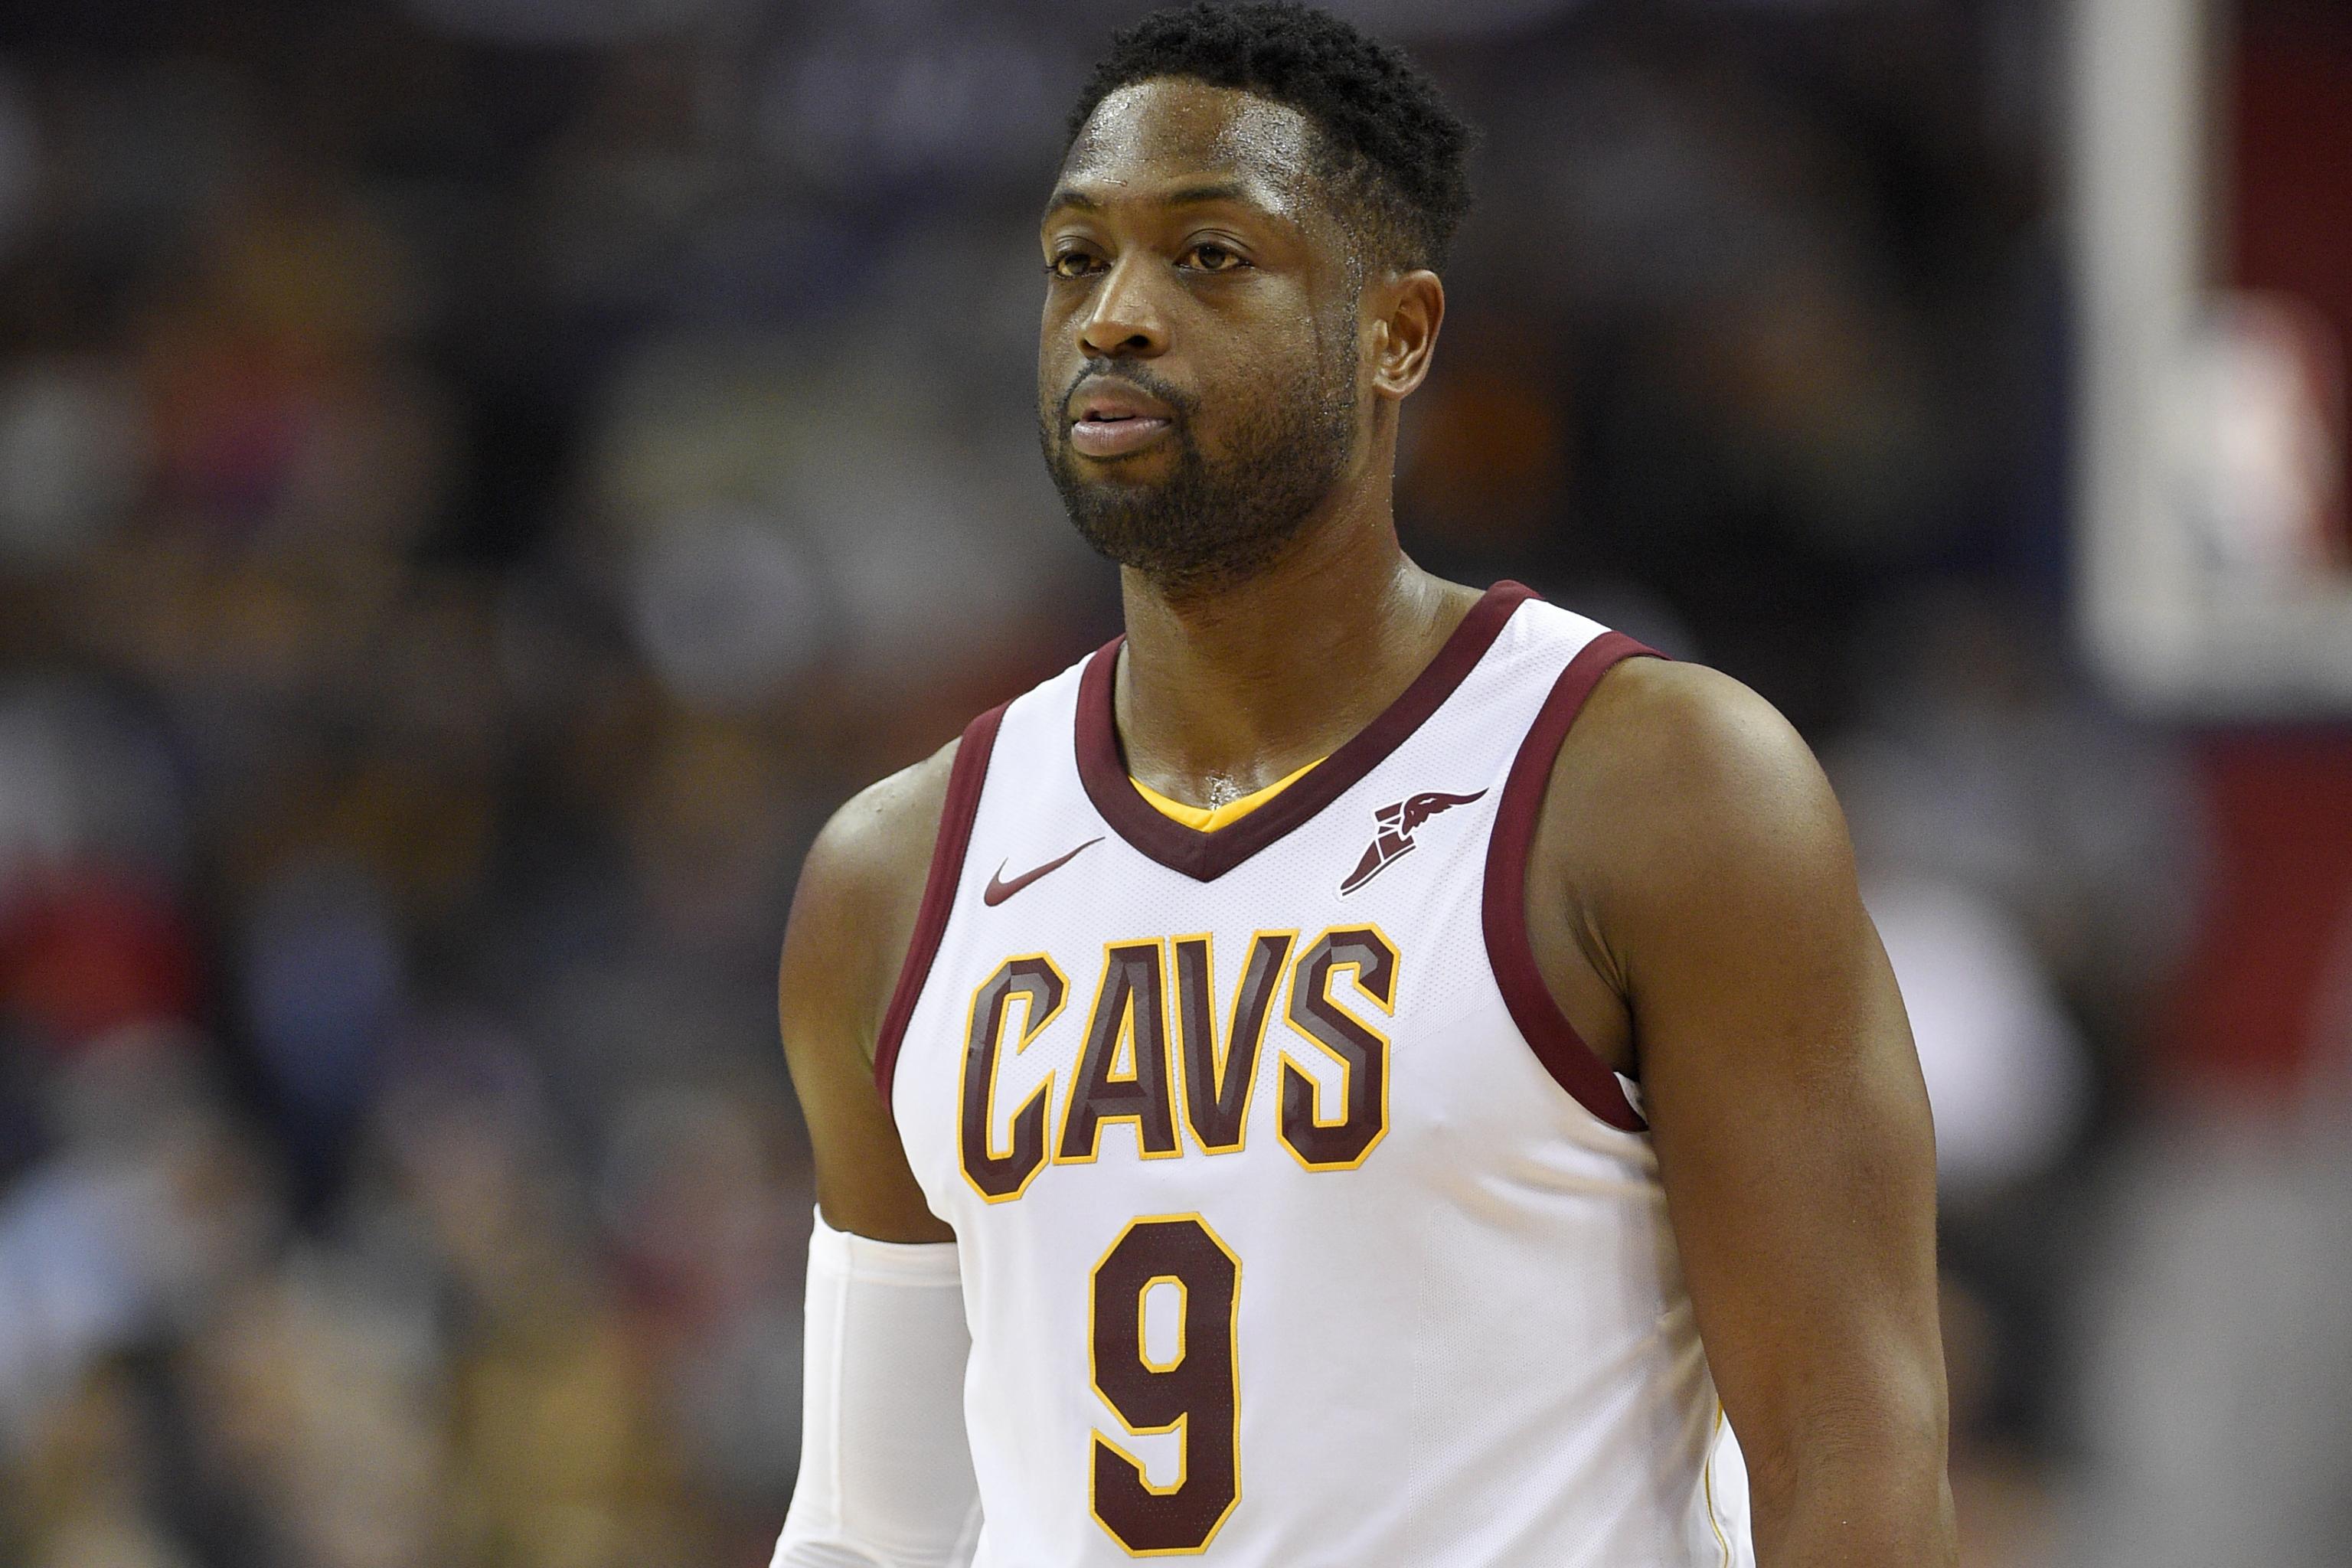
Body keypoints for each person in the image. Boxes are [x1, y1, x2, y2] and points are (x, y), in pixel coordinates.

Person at [771, 5, 1954, 1564]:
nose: (1115, 315)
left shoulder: (1656, 787)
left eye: (1210, 256)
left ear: (1397, 332)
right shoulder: (896, 871)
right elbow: (872, 1526)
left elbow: (1847, 1473)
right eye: (1076, 260)